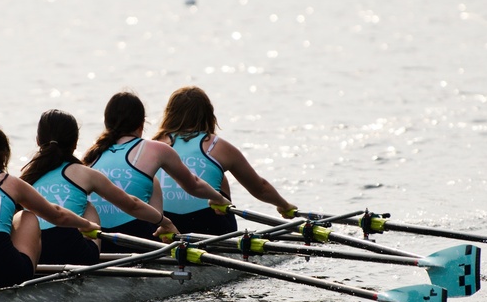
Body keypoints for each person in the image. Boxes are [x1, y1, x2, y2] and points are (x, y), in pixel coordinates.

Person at [0, 124, 100, 289]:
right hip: (5, 273)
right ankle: (28, 286)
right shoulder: (10, 183)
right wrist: (87, 224)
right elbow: (58, 215)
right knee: (26, 216)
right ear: (3, 155)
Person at [18, 109, 178, 265]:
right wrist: (165, 222)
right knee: (88, 206)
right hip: (74, 253)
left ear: (38, 141)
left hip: (37, 254)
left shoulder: (25, 177)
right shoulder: (84, 174)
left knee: (23, 215)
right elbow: (132, 205)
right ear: (75, 143)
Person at [81, 91, 236, 241]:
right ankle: (162, 234)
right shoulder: (156, 148)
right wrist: (218, 198)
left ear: (106, 123)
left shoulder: (90, 156)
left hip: (98, 240)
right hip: (137, 239)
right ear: (142, 124)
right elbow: (193, 184)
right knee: (154, 182)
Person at [152, 85, 297, 233]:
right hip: (209, 220)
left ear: (169, 114)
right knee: (220, 178)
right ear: (209, 115)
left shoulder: (153, 145)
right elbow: (260, 188)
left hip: (163, 223)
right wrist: (284, 205)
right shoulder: (216, 145)